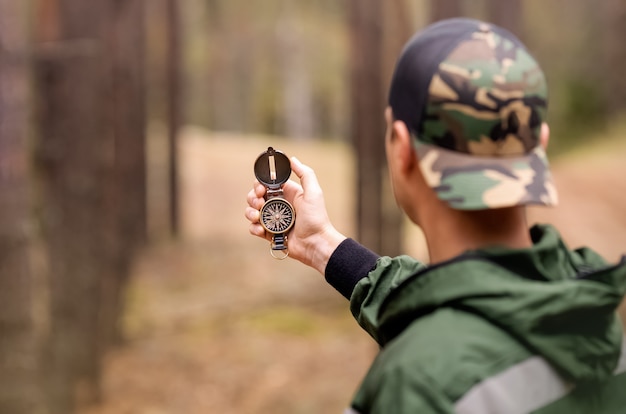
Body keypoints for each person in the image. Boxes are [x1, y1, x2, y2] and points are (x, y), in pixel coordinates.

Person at [245, 17, 626, 413]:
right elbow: (468, 295)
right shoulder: (592, 309)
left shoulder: (417, 386)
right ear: (539, 146)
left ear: (403, 149)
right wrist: (321, 244)